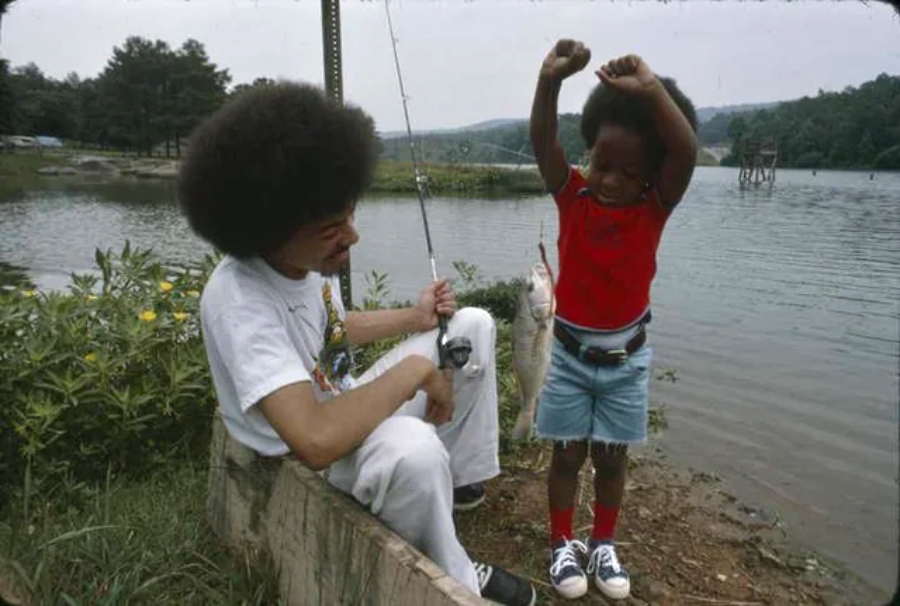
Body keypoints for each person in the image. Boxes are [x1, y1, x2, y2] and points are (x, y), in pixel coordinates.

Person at [179, 82, 535, 606]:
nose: (352, 236)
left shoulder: (304, 263)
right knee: (411, 454)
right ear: (265, 229)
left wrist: (414, 318)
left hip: (341, 403)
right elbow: (315, 439)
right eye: (331, 227)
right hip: (304, 456)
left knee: (473, 327)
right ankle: (455, 574)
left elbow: (334, 326)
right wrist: (413, 374)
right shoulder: (240, 300)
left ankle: (453, 488)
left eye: (351, 215)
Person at [529, 40, 699, 600]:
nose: (608, 179)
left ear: (651, 176)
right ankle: (561, 544)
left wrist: (652, 91)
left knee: (610, 458)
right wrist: (550, 80)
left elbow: (686, 152)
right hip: (571, 357)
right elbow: (543, 142)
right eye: (601, 163)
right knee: (566, 455)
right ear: (589, 155)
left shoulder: (655, 209)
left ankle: (602, 543)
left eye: (628, 172)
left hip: (626, 361)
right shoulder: (572, 197)